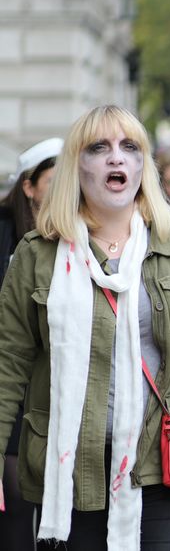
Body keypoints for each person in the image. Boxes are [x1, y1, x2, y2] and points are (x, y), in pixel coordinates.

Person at [0, 105, 170, 549]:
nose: (116, 158)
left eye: (129, 147)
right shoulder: (38, 254)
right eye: (99, 148)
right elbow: (9, 365)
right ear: (77, 165)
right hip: (71, 470)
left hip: (164, 465)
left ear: (143, 166)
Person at [0, 137, 61, 550]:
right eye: (54, 182)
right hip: (14, 390)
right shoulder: (7, 235)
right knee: (17, 512)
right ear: (29, 186)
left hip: (59, 391)